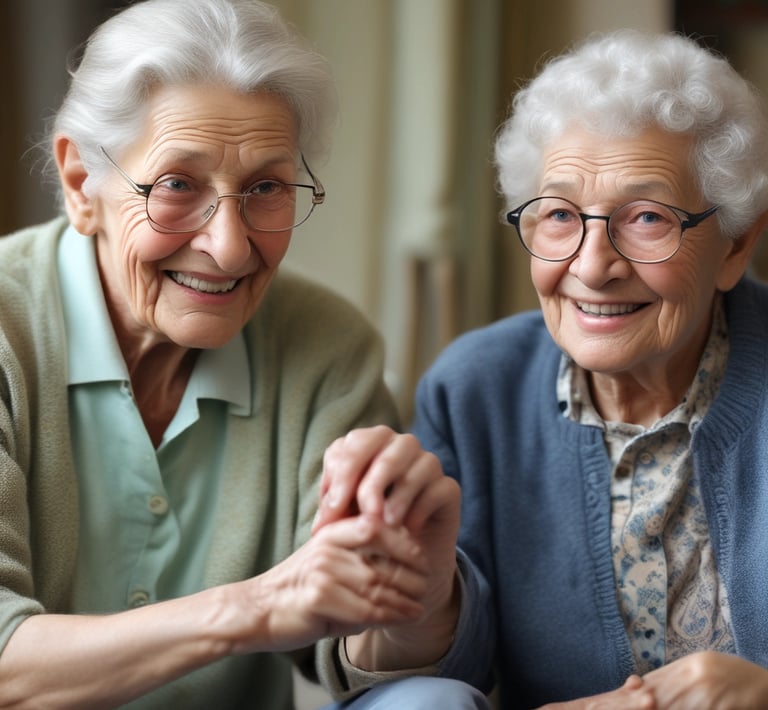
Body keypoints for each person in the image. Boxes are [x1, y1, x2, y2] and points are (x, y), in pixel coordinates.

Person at [0, 1, 478, 707]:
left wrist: (414, 592)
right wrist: (256, 606)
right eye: (177, 186)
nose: (229, 246)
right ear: (81, 185)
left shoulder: (327, 348)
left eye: (265, 188)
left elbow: (360, 657)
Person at [315, 29, 768, 709]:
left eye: (646, 217)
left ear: (735, 245)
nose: (591, 266)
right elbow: (440, 678)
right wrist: (420, 595)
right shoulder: (476, 389)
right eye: (558, 214)